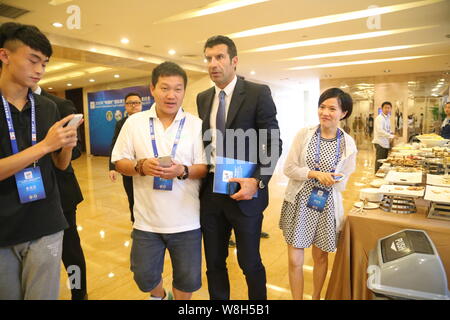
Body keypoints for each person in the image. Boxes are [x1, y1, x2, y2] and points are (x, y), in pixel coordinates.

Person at [111, 61, 207, 300]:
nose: (171, 95)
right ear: (152, 88)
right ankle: (160, 297)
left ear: (184, 91)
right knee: (143, 276)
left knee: (187, 280)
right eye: (165, 88)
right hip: (146, 222)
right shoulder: (134, 123)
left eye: (178, 89)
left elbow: (204, 167)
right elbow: (119, 161)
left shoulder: (196, 125)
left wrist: (182, 170)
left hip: (186, 221)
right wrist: (140, 166)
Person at [197, 35, 282, 300]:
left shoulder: (257, 93)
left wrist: (257, 181)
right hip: (211, 192)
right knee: (213, 262)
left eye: (219, 57)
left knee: (249, 262)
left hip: (245, 190)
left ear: (234, 61)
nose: (213, 63)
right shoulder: (202, 98)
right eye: (209, 58)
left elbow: (273, 141)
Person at [0, 22, 81, 300]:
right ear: (4, 55)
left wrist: (65, 146)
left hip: (46, 223)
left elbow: (59, 165)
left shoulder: (48, 107)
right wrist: (44, 145)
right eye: (33, 60)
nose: (39, 70)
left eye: (44, 64)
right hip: (4, 226)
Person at [280, 88, 357, 300]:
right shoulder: (305, 134)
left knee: (320, 257)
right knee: (295, 260)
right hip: (300, 201)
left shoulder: (347, 143)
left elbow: (345, 178)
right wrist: (314, 173)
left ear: (344, 113)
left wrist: (335, 178)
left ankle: (316, 297)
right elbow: (288, 168)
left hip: (326, 205)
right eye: (322, 107)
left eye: (332, 108)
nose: (325, 112)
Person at [32, 84, 87, 300]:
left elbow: (77, 149)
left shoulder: (59, 104)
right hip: (22, 193)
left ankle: (79, 293)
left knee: (70, 250)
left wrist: (60, 146)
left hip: (60, 193)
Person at [109, 92, 143, 222]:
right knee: (132, 197)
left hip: (147, 167)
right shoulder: (121, 123)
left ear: (141, 104)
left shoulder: (150, 120)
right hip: (128, 167)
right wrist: (112, 167)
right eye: (130, 103)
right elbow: (115, 144)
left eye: (136, 103)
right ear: (125, 106)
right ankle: (135, 224)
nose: (133, 106)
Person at [372, 101, 394, 173]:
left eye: (389, 108)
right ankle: (377, 176)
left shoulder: (387, 118)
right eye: (385, 108)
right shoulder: (380, 118)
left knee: (384, 161)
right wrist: (391, 136)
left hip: (385, 143)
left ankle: (381, 175)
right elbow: (380, 131)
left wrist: (391, 132)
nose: (387, 109)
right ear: (382, 108)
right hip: (380, 143)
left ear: (391, 109)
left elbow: (386, 129)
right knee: (380, 161)